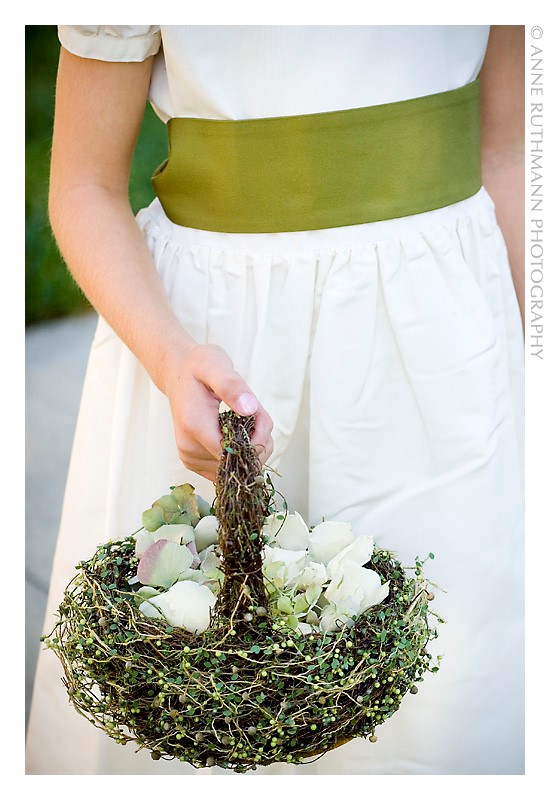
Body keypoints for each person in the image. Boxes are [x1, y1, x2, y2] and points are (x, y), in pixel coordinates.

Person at [26, 25, 525, 775]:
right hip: (214, 343)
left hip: (442, 348)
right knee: (201, 693)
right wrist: (170, 361)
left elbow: (513, 151)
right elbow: (84, 182)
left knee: (446, 703)